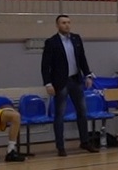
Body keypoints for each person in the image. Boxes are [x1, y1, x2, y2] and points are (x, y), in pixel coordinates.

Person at [41, 14, 97, 156]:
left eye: (68, 22)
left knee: (82, 111)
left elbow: (82, 58)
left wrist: (88, 75)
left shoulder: (76, 39)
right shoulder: (51, 42)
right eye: (63, 23)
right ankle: (60, 146)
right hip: (60, 82)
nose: (67, 25)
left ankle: (85, 141)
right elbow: (45, 65)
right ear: (57, 25)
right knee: (60, 114)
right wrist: (48, 83)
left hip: (76, 80)